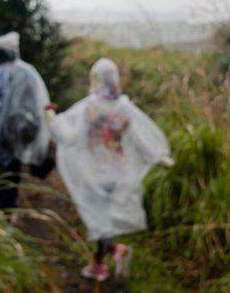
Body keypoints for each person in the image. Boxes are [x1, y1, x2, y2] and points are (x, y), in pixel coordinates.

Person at [49, 58, 173, 282]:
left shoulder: (91, 107)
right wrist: (158, 156)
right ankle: (108, 255)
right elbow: (138, 139)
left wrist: (51, 119)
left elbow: (73, 137)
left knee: (99, 221)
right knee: (102, 218)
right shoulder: (123, 107)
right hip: (115, 173)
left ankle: (104, 260)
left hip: (94, 173)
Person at [0, 31, 52, 221]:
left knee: (0, 174)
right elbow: (37, 105)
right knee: (12, 172)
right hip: (16, 134)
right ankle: (9, 211)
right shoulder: (27, 72)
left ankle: (5, 212)